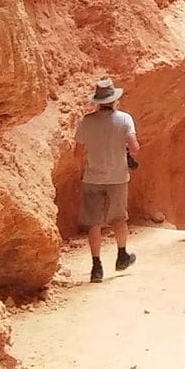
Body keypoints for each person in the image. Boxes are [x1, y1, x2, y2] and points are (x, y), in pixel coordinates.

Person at [75, 77, 140, 284]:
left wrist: (83, 169)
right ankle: (122, 255)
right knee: (119, 218)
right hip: (118, 177)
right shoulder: (124, 119)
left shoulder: (86, 121)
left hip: (92, 177)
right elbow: (135, 147)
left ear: (97, 101)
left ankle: (96, 266)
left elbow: (78, 153)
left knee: (93, 222)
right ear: (115, 100)